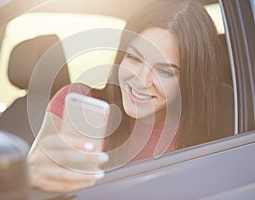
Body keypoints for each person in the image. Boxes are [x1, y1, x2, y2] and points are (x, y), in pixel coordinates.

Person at [28, 0, 230, 192]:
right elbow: (30, 181)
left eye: (165, 71)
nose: (141, 80)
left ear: (190, 80)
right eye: (134, 58)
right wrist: (33, 176)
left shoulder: (212, 137)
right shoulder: (76, 101)